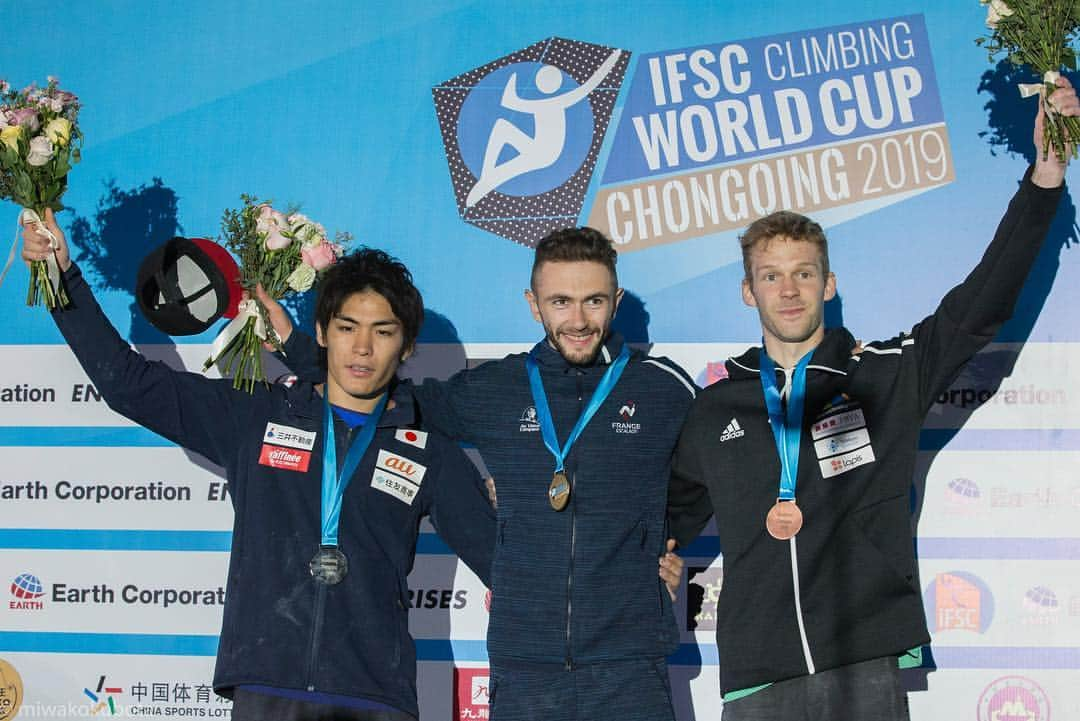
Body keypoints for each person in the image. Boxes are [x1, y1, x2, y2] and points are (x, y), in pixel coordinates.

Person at [667, 78, 1078, 720]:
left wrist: (1044, 180)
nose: (790, 290)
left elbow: (980, 307)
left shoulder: (885, 373)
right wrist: (647, 559)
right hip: (755, 674)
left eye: (804, 273)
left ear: (829, 282)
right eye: (771, 277)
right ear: (749, 292)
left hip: (863, 662)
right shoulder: (716, 407)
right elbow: (662, 515)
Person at [21, 219, 496, 721]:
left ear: (406, 345)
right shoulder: (255, 415)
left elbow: (505, 564)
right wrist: (63, 280)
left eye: (383, 332)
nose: (362, 348)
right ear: (321, 333)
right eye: (347, 328)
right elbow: (127, 384)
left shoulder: (428, 451)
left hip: (376, 699)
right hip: (267, 691)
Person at [273, 227, 694, 721]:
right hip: (523, 669)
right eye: (560, 301)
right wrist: (298, 349)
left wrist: (663, 540)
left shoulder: (663, 389)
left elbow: (726, 467)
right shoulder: (497, 388)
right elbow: (384, 396)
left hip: (629, 666)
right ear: (533, 304)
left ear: (615, 300)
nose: (578, 320)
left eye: (594, 301)